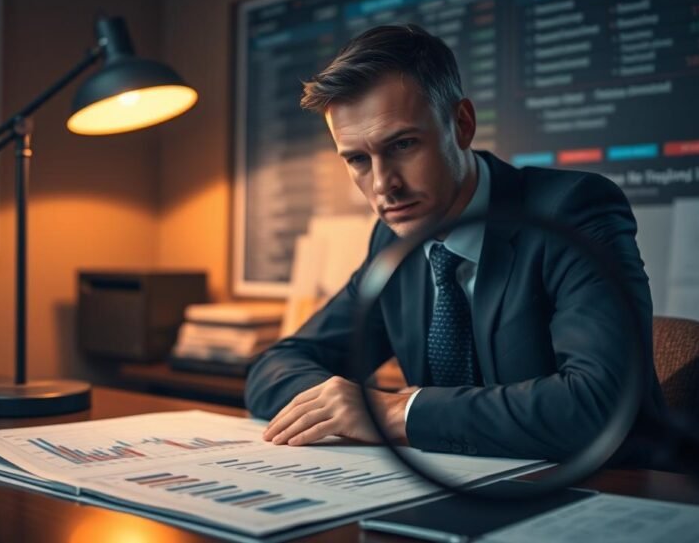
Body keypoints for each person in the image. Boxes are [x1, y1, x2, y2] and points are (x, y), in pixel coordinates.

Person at [244, 24, 666, 460]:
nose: (384, 185)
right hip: (455, 493)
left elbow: (601, 404)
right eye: (357, 159)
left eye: (403, 144)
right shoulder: (392, 240)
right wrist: (341, 407)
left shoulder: (574, 210)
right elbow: (273, 370)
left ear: (462, 124)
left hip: (608, 492)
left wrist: (395, 412)